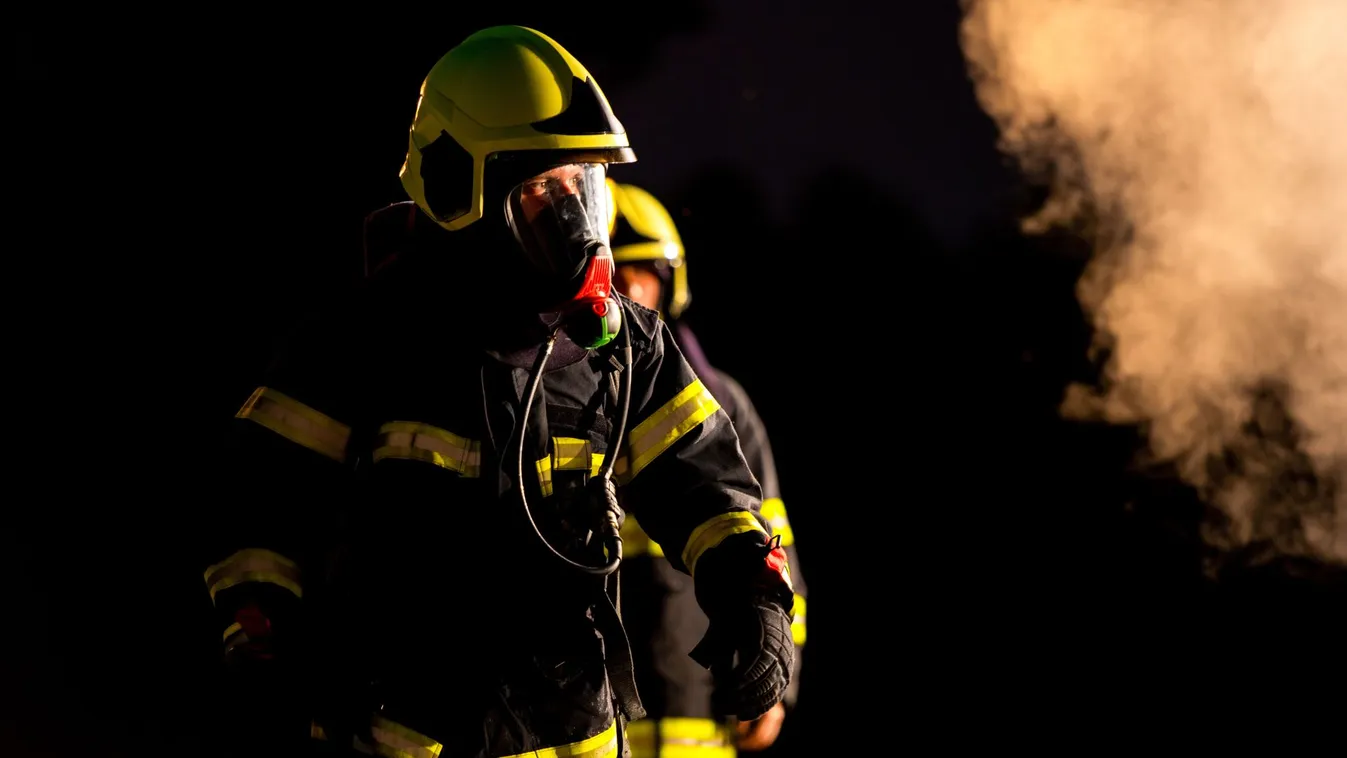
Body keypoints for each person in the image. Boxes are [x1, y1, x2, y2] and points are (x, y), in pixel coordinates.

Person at [200, 25, 798, 758]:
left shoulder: (626, 348)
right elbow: (260, 498)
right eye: (544, 188)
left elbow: (706, 484)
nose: (575, 221)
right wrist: (262, 630)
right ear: (459, 191)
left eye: (583, 185)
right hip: (398, 736)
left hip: (576, 736)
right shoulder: (361, 340)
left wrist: (754, 596)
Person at [604, 181, 809, 757]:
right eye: (610, 271)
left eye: (638, 273)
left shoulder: (718, 402)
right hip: (578, 715)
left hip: (698, 716)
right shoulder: (541, 393)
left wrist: (778, 684)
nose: (622, 290)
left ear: (669, 283)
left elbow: (771, 544)